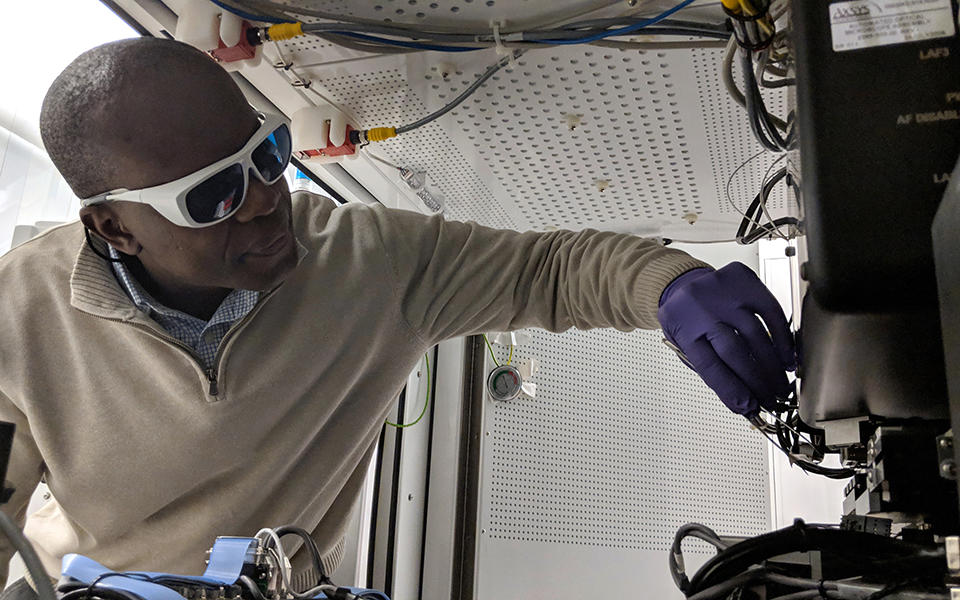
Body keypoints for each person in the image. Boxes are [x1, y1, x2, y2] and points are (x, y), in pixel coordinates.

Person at [0, 37, 794, 597]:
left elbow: (550, 270)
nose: (266, 201)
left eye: (266, 154)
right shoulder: (16, 313)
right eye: (213, 196)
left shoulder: (368, 261)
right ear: (114, 227)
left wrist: (669, 284)